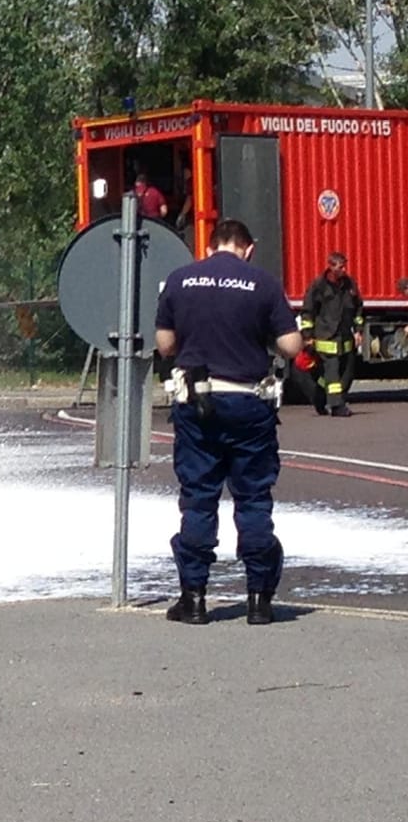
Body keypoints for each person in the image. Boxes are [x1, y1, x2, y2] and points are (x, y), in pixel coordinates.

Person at [154, 218, 303, 626]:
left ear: (209, 244)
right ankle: (259, 600)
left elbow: (165, 345)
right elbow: (291, 346)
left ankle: (195, 599)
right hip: (249, 405)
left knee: (199, 498)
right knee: (253, 498)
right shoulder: (263, 283)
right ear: (247, 247)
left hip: (198, 403)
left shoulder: (179, 281)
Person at [299, 251, 366, 417]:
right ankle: (337, 406)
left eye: (344, 266)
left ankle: (320, 396)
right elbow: (308, 311)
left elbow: (358, 308)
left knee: (346, 374)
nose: (343, 270)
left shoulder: (350, 284)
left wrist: (358, 331)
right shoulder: (319, 286)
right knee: (332, 372)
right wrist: (307, 336)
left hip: (345, 338)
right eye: (340, 267)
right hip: (326, 337)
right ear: (331, 266)